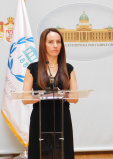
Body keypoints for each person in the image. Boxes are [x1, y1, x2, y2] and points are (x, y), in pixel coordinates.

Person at [23, 28, 78, 159]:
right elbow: (25, 99)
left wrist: (62, 95)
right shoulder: (33, 68)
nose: (55, 45)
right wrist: (43, 95)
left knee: (63, 154)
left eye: (58, 42)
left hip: (62, 119)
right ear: (44, 44)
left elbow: (75, 98)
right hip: (40, 119)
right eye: (51, 42)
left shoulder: (68, 68)